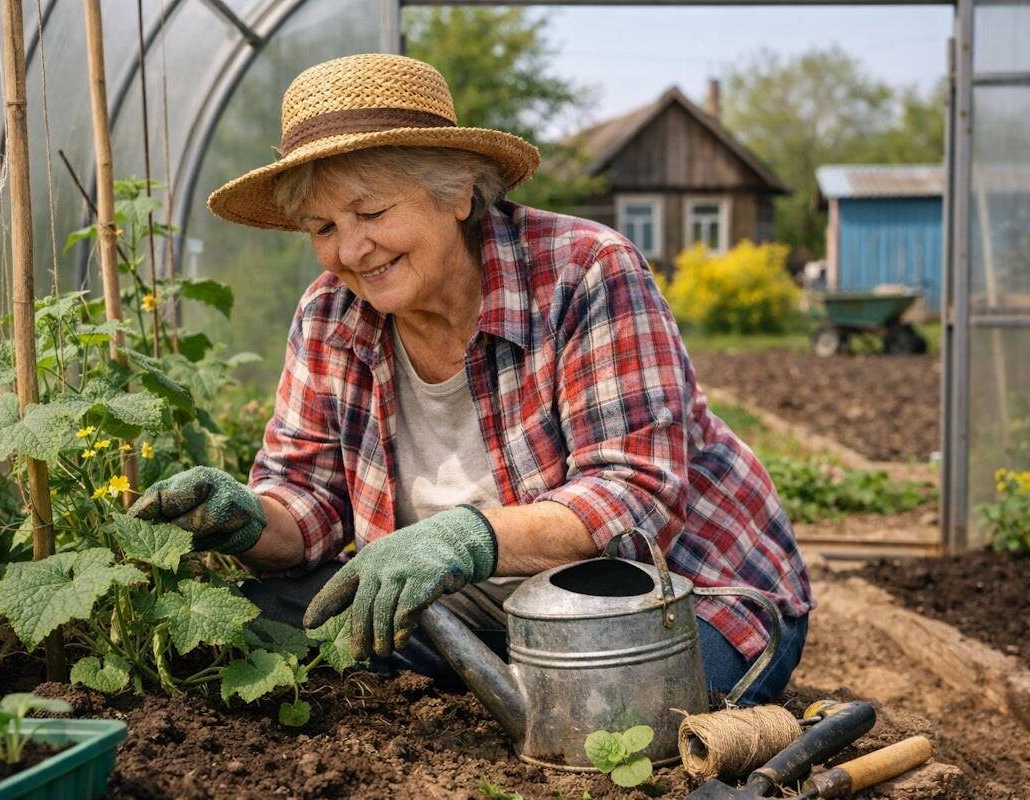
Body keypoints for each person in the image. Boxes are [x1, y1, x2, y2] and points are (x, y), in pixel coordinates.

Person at [130, 53, 813, 704]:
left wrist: (468, 536)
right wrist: (249, 519)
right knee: (254, 627)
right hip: (471, 602)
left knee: (608, 705)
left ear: (456, 192)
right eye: (323, 226)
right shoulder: (329, 314)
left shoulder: (584, 272)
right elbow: (307, 499)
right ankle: (500, 677)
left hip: (678, 592)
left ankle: (523, 684)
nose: (350, 250)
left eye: (371, 213)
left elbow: (633, 500)